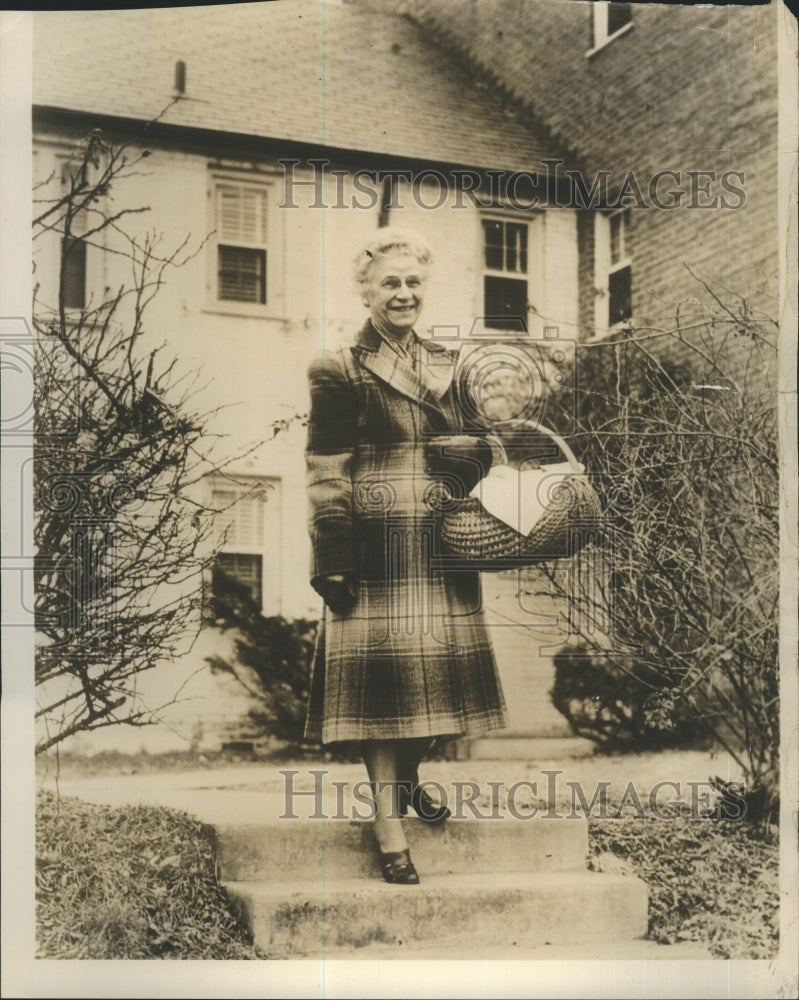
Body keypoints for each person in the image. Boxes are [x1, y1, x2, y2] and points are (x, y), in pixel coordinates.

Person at [303, 228, 508, 884]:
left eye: (413, 282)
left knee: (435, 681)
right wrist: (332, 553)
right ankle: (389, 827)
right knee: (384, 692)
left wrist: (489, 457)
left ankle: (411, 775)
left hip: (439, 541)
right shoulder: (338, 367)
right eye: (389, 282)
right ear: (365, 292)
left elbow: (472, 450)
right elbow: (326, 465)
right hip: (377, 544)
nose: (402, 293)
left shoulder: (449, 363)